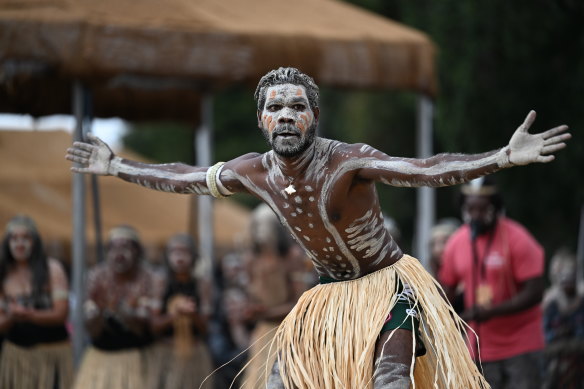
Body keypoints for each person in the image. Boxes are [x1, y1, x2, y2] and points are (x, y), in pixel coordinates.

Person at [66, 67, 570, 388]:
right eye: (275, 108)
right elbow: (185, 177)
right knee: (281, 381)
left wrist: (501, 158)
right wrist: (116, 167)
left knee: (390, 377)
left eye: (297, 106)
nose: (286, 115)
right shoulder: (252, 172)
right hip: (326, 296)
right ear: (262, 120)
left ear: (315, 116)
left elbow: (425, 168)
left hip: (390, 286)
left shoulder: (347, 163)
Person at [439, 177, 547, 389]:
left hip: (522, 346)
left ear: (496, 207)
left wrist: (492, 311)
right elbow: (447, 289)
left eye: (482, 209)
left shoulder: (517, 238)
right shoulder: (456, 243)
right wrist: (442, 316)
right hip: (479, 349)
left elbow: (536, 292)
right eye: (470, 209)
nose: (476, 215)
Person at [73, 225, 157, 389]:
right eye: (114, 248)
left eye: (125, 247)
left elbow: (144, 327)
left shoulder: (148, 278)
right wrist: (100, 312)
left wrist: (120, 310)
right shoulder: (96, 277)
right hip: (100, 357)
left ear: (137, 251)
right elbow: (90, 328)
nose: (119, 253)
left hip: (138, 358)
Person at [0, 215, 73, 389]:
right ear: (7, 243)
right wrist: (12, 316)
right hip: (16, 356)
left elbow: (61, 314)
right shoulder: (2, 274)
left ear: (35, 242)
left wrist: (30, 315)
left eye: (26, 238)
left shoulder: (52, 269)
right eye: (14, 238)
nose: (19, 243)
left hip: (53, 355)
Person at [241, 204, 305, 389]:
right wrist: (251, 309)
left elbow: (299, 304)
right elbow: (251, 296)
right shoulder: (251, 259)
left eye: (266, 226)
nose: (262, 232)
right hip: (262, 335)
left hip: (289, 334)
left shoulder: (292, 257)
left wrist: (264, 314)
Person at [147, 233, 215, 389]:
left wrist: (192, 315)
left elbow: (205, 328)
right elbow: (154, 326)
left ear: (193, 256)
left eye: (184, 251)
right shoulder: (160, 283)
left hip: (195, 353)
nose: (179, 257)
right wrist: (175, 314)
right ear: (167, 256)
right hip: (166, 354)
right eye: (174, 252)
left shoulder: (202, 285)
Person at [542, 249, 584, 389]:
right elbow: (546, 332)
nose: (568, 284)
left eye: (571, 279)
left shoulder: (581, 298)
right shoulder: (551, 302)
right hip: (556, 349)